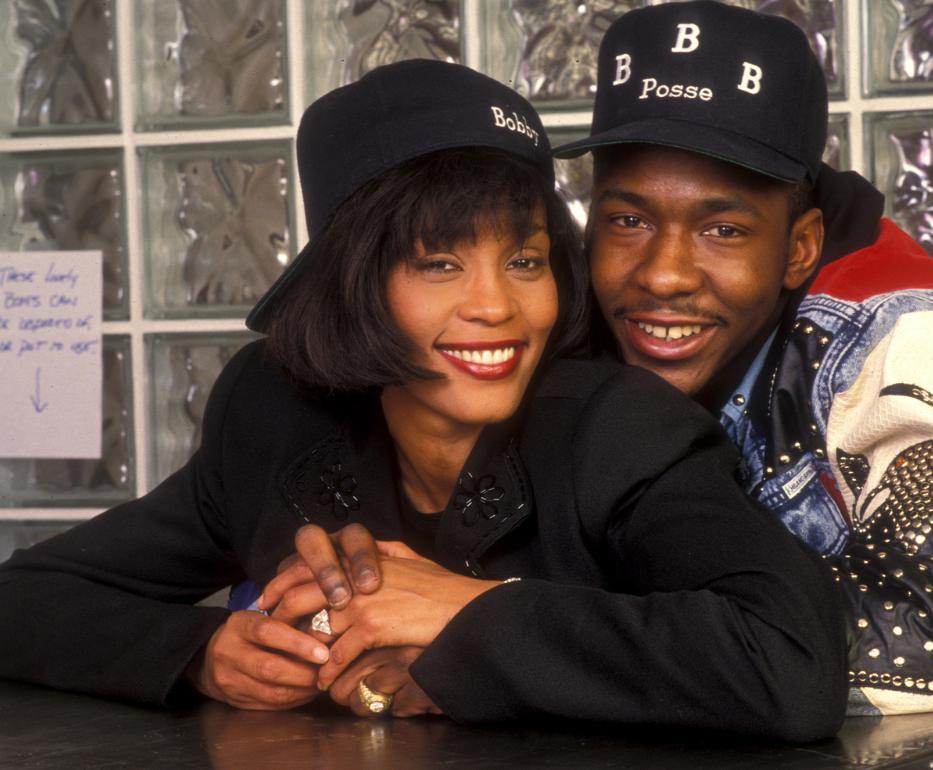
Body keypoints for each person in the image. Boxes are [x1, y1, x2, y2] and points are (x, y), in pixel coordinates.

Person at [0, 59, 847, 740]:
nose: (498, 307)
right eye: (438, 263)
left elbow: (790, 664)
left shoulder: (615, 426)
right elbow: (25, 598)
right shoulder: (274, 410)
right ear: (352, 282)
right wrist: (204, 653)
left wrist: (470, 612)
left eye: (524, 259)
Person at [552, 0, 933, 723]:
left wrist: (508, 629)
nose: (663, 274)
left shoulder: (904, 328)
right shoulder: (564, 306)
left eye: (722, 229)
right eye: (629, 220)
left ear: (799, 245)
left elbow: (930, 645)